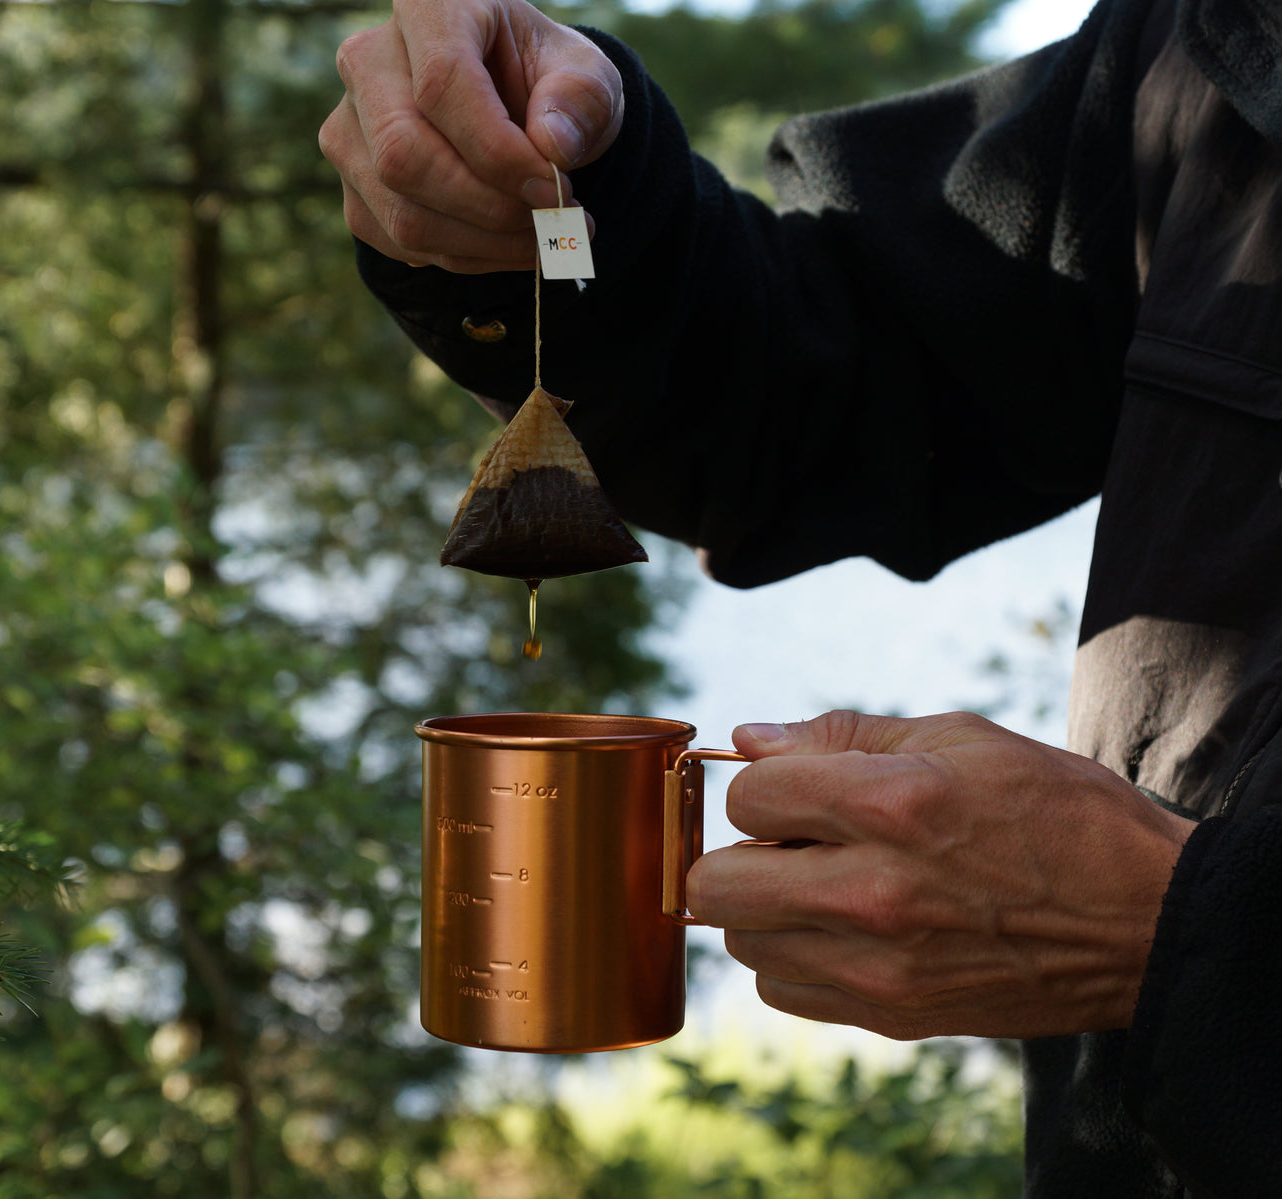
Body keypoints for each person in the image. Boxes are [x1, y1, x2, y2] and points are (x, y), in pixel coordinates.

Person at [319, 0, 1282, 1193]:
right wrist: (572, 205)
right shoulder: (1225, 39)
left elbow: (1197, 939)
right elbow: (844, 373)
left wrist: (1196, 941)